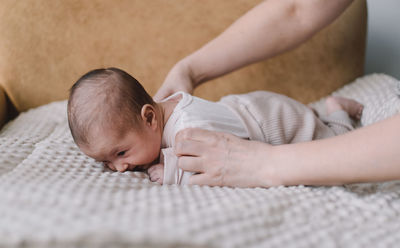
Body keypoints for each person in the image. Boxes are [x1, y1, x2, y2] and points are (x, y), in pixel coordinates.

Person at [154, 0, 400, 187]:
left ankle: (334, 110)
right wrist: (188, 71)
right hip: (285, 111)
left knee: (334, 130)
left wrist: (268, 163)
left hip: (296, 120)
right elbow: (297, 10)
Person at [67, 67, 363, 185]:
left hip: (279, 123)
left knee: (335, 146)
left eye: (121, 153)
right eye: (105, 160)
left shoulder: (188, 128)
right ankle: (315, 110)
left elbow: (219, 161)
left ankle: (336, 109)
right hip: (253, 107)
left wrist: (169, 169)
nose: (118, 167)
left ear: (149, 118)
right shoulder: (161, 114)